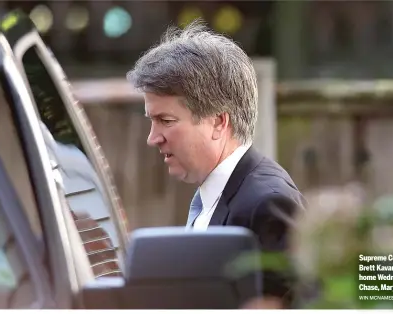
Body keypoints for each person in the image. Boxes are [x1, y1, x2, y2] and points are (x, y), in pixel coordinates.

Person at [126, 21, 306, 307]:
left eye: (166, 121)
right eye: (152, 121)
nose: (152, 138)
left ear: (218, 123)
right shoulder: (214, 191)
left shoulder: (268, 203)